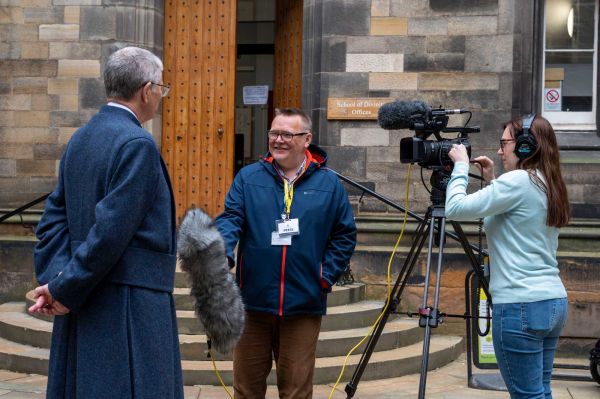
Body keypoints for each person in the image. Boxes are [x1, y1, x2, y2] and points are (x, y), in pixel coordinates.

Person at [28, 47, 184, 399]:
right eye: (161, 88)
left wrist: (58, 281)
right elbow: (110, 233)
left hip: (85, 297)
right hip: (129, 304)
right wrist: (63, 288)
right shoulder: (138, 143)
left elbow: (52, 220)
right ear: (146, 90)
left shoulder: (80, 138)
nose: (161, 96)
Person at [215, 108, 357, 398]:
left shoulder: (329, 183)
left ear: (307, 139)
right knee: (246, 389)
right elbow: (231, 218)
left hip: (303, 303)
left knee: (296, 391)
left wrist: (324, 276)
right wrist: (222, 252)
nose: (278, 140)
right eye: (273, 133)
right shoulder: (248, 177)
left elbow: (344, 235)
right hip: (252, 302)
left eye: (286, 134)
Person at [445, 114, 570, 399]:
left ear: (526, 145)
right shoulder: (546, 181)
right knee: (540, 392)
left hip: (520, 306)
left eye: (505, 143)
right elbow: (515, 218)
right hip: (552, 303)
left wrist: (461, 165)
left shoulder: (517, 181)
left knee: (527, 396)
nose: (500, 151)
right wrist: (491, 181)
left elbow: (455, 208)